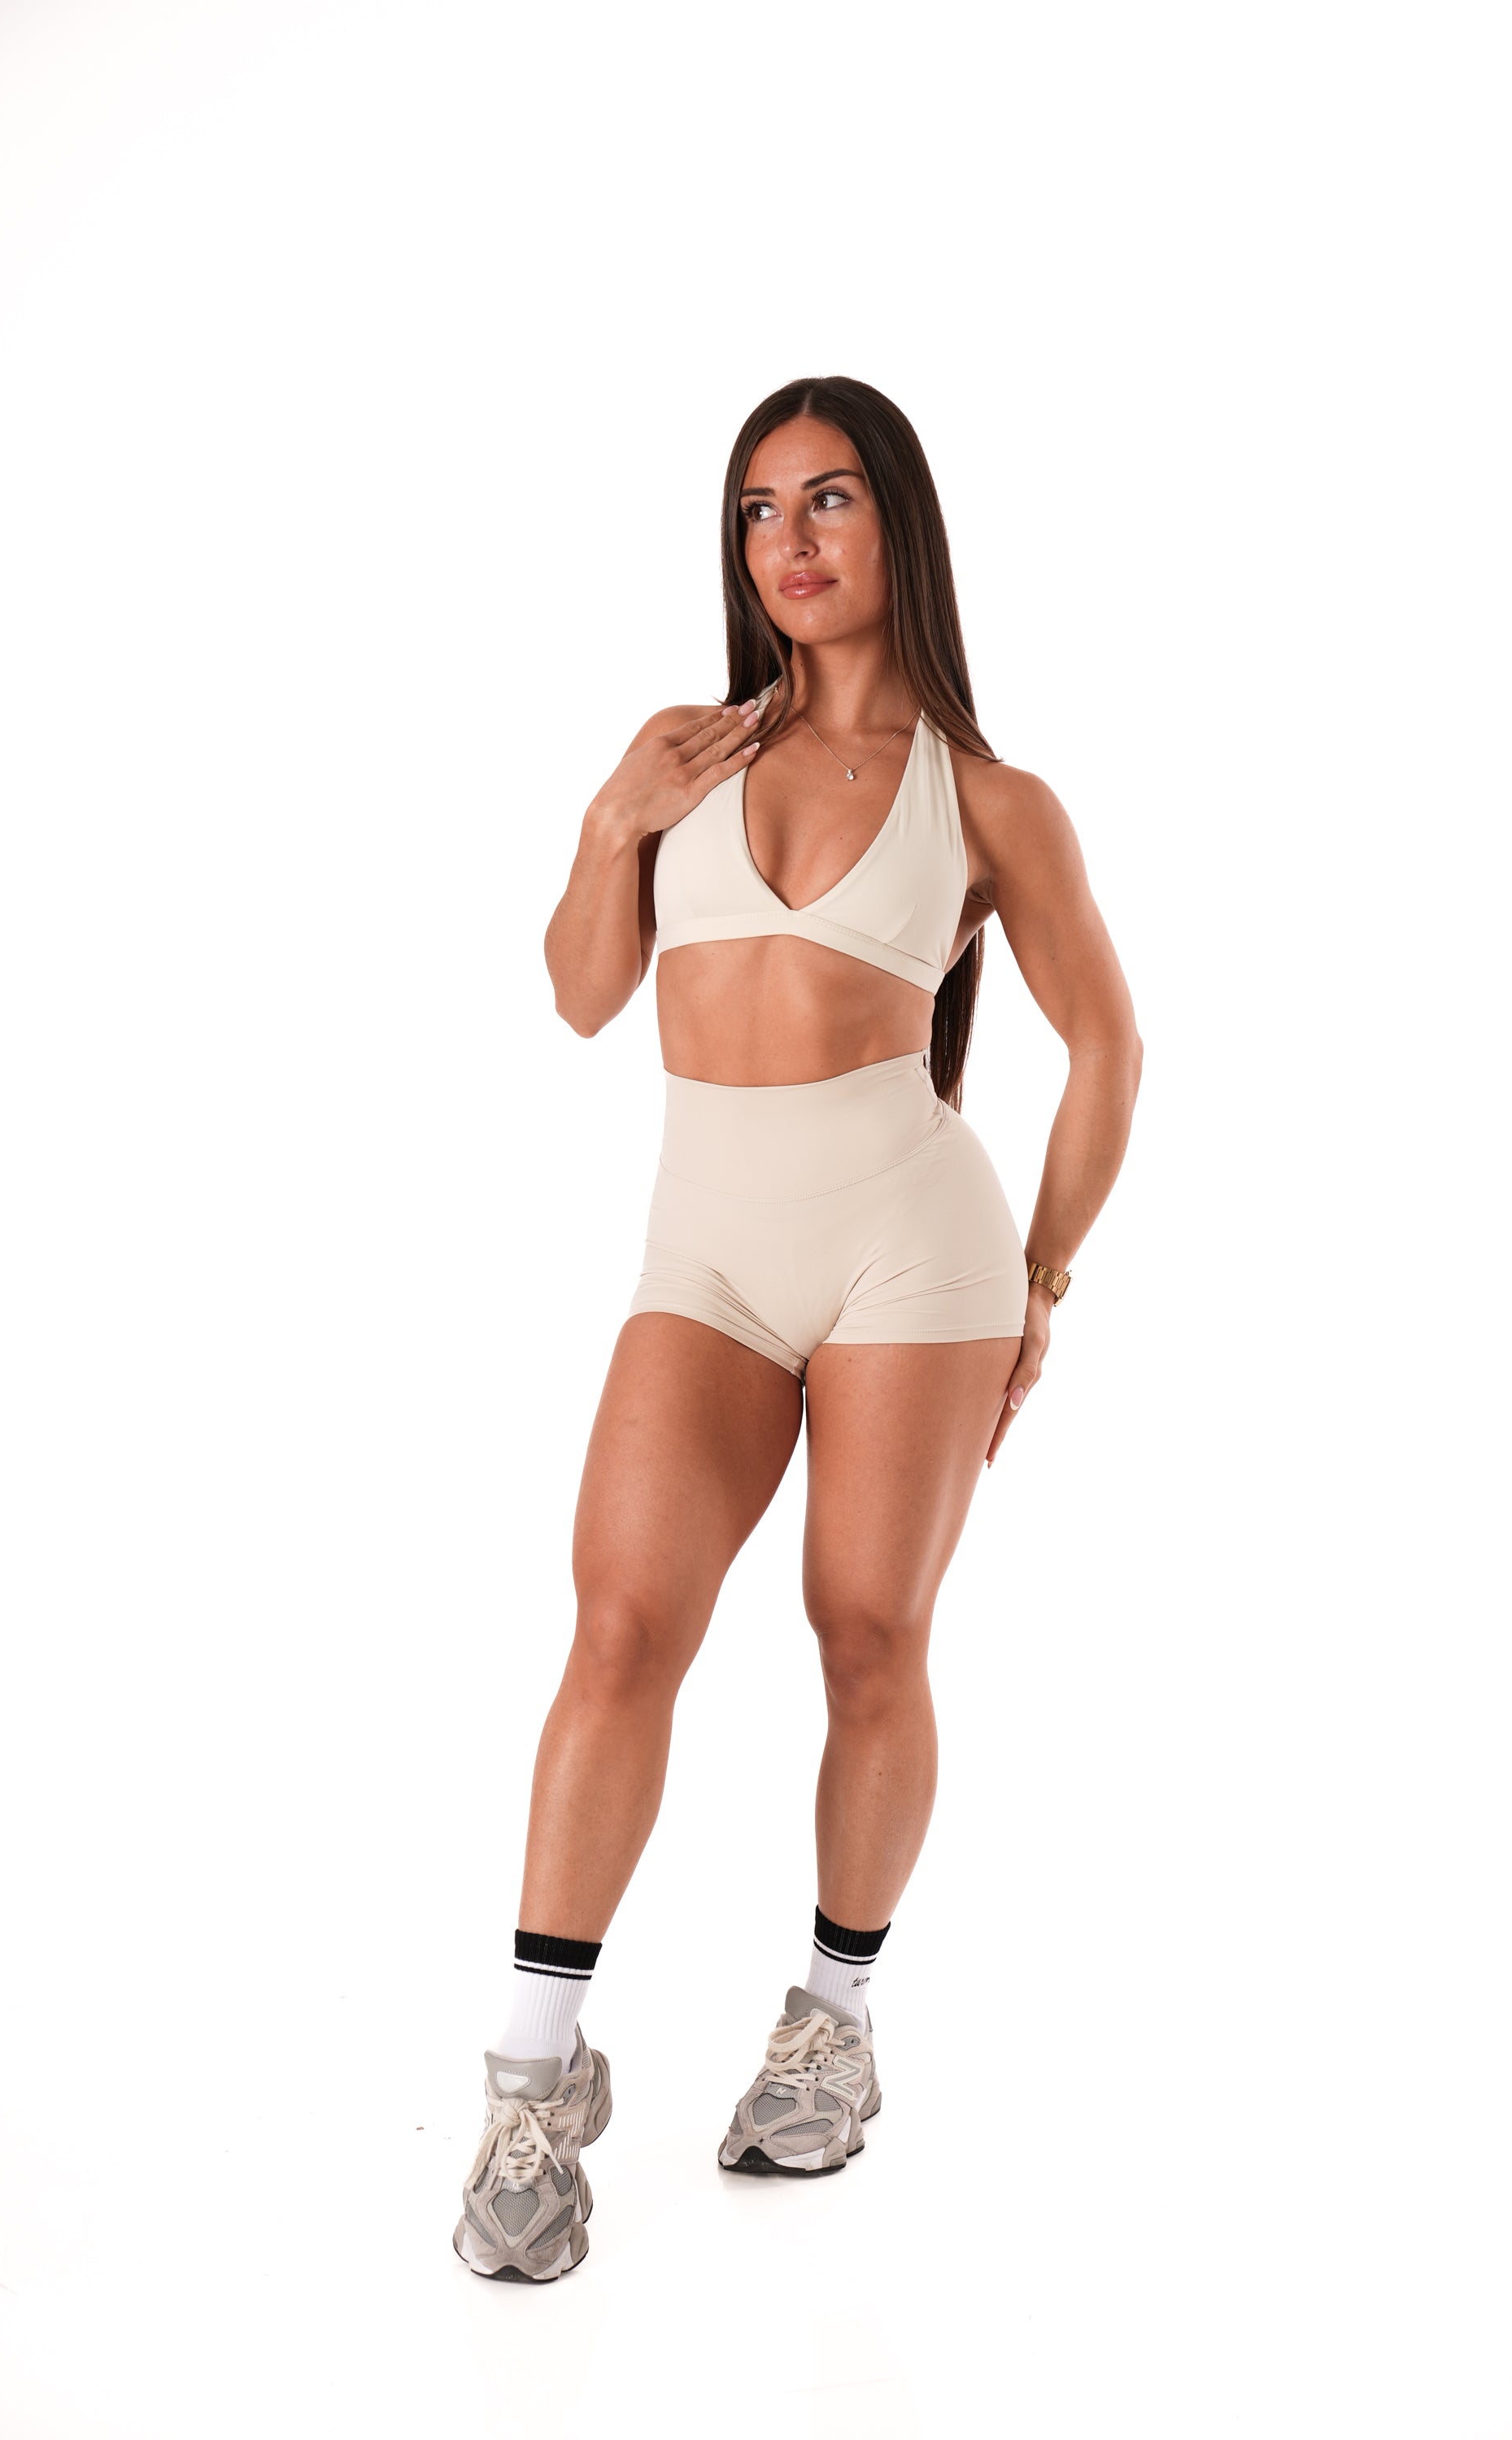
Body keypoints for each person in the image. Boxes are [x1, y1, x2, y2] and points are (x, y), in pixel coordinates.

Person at [453, 375, 1144, 2281]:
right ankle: (532, 2077)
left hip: (913, 1256)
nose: (790, 541)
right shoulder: (680, 754)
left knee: (865, 1632)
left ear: (898, 524)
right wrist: (611, 820)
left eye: (829, 500)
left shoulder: (986, 799)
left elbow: (1109, 1048)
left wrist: (1041, 1284)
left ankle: (832, 2022)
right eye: (759, 510)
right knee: (620, 1625)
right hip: (706, 1255)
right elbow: (583, 995)